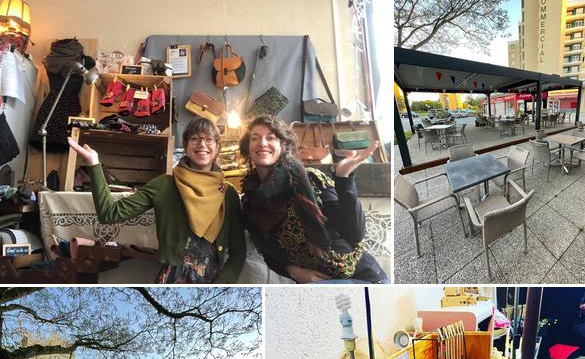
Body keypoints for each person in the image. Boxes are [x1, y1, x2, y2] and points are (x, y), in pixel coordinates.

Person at [67, 117, 245, 283]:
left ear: (217, 147)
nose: (202, 144)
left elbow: (238, 253)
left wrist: (223, 284)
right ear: (185, 145)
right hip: (172, 281)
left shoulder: (228, 194)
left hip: (214, 282)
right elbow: (109, 214)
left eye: (209, 139)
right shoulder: (164, 185)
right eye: (195, 139)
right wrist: (94, 164)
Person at [238, 115, 388, 283]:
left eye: (271, 138)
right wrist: (293, 271)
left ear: (283, 146)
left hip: (361, 276)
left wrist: (344, 178)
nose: (263, 143)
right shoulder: (251, 203)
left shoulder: (310, 180)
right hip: (315, 285)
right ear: (247, 147)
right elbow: (268, 253)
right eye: (255, 138)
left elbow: (355, 233)